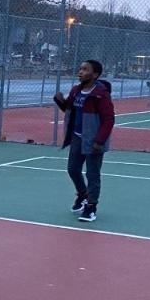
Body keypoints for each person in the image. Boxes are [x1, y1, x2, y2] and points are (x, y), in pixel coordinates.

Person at [53, 60, 115, 222]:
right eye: (80, 69)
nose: (80, 72)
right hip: (77, 137)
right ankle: (83, 194)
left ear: (95, 75)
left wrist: (99, 141)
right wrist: (59, 100)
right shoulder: (76, 91)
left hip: (93, 140)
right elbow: (68, 108)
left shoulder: (101, 94)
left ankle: (91, 207)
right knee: (73, 169)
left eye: (85, 69)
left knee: (92, 174)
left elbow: (109, 119)